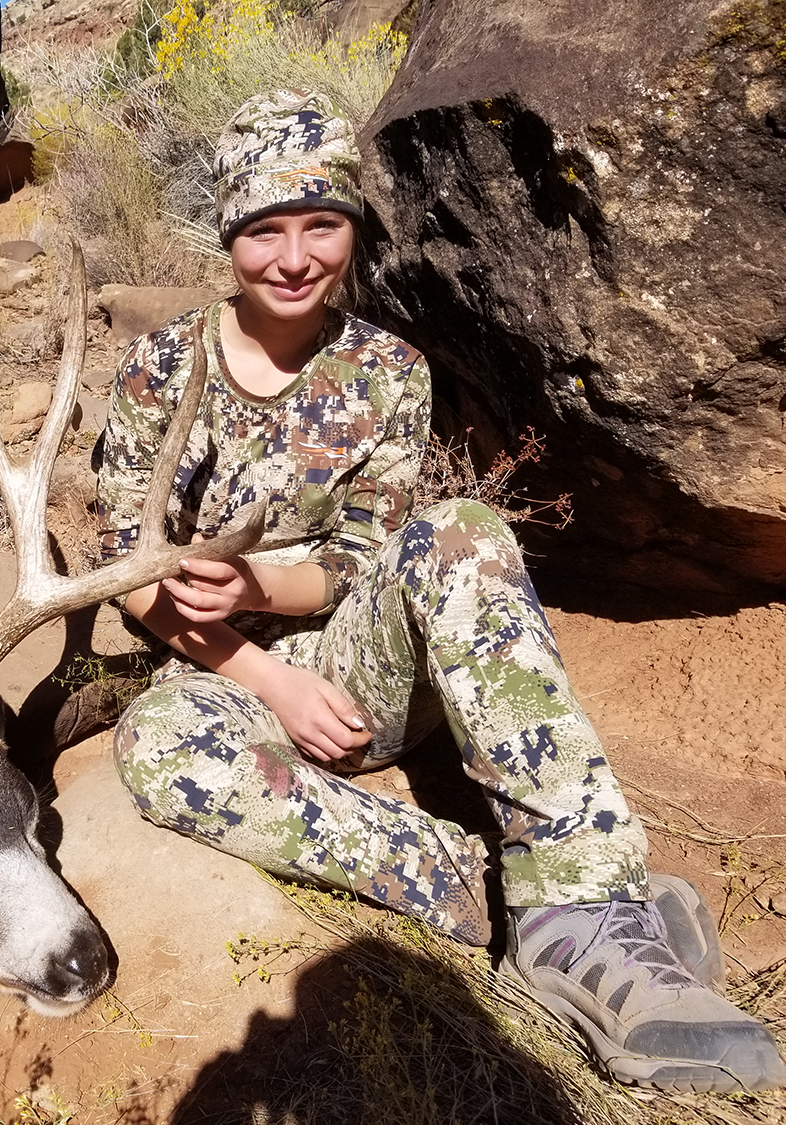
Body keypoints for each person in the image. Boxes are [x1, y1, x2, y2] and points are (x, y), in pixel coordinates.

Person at [95, 88, 785, 1093]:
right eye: (265, 230)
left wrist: (254, 581)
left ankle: (579, 904)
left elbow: (362, 554)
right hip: (225, 683)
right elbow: (130, 569)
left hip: (363, 656)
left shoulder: (387, 371)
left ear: (353, 229)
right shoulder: (159, 367)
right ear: (228, 234)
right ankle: (482, 887)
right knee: (156, 747)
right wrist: (261, 676)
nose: (295, 258)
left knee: (459, 532)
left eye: (322, 225)